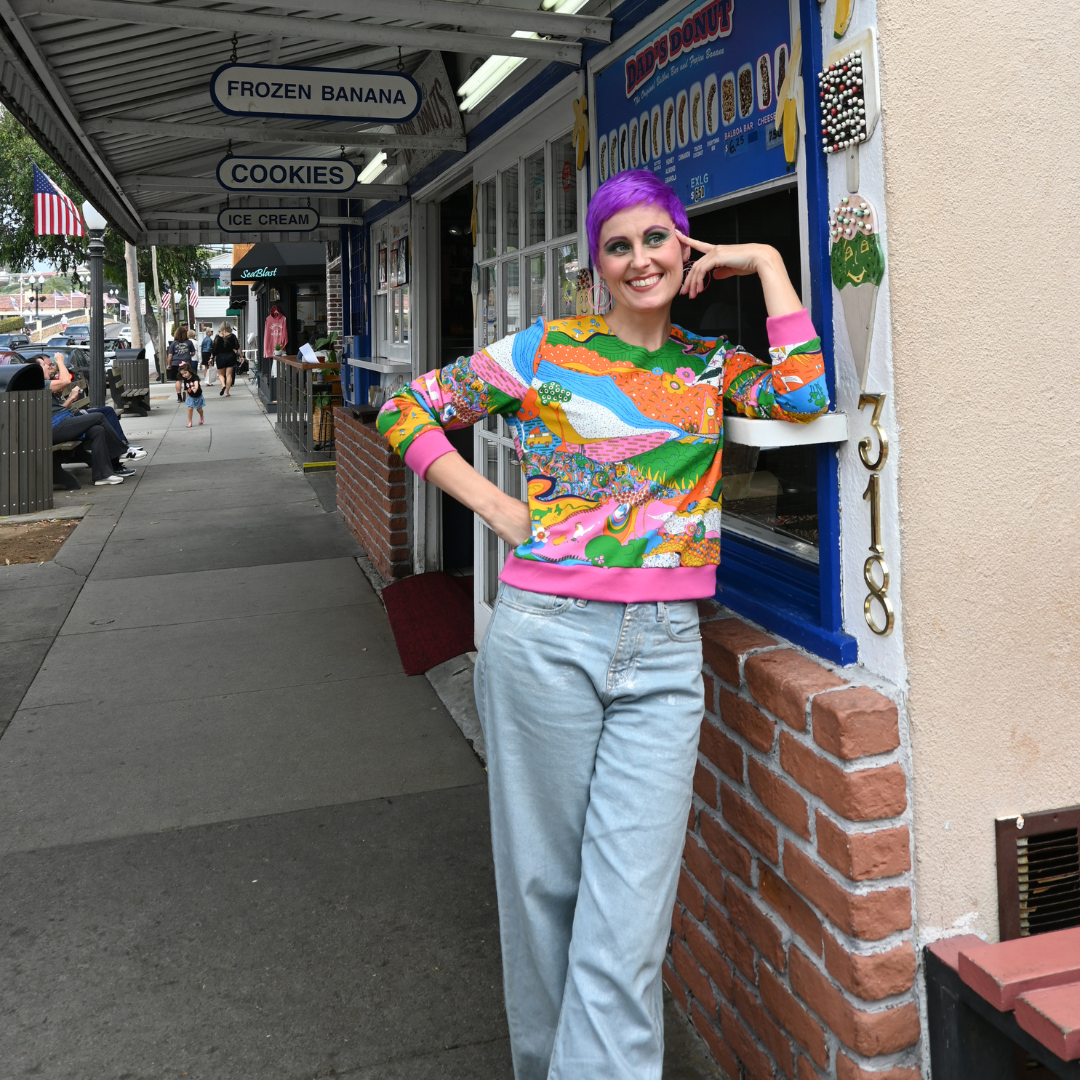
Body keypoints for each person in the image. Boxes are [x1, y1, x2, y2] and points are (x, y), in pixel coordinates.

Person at [376, 170, 829, 1080]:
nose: (639, 259)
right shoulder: (546, 351)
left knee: (627, 920)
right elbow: (407, 407)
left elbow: (804, 394)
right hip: (544, 636)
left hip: (663, 653)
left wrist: (769, 259)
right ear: (597, 264)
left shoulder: (707, 368)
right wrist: (498, 511)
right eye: (617, 245)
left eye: (656, 238)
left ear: (685, 247)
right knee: (543, 890)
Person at [42, 353, 134, 486]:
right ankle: (121, 451)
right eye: (44, 365)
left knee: (97, 430)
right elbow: (66, 381)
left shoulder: (46, 384)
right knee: (99, 417)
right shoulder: (40, 384)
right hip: (53, 428)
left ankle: (103, 475)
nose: (48, 367)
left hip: (63, 422)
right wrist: (60, 361)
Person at [167, 327, 197, 403]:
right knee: (187, 379)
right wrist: (189, 356)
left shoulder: (173, 343)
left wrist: (169, 364)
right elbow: (193, 353)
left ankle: (179, 397)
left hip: (176, 363)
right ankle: (188, 395)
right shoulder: (189, 342)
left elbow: (170, 355)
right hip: (186, 363)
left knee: (178, 380)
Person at [211, 322, 240, 397]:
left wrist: (211, 358)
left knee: (220, 374)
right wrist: (242, 357)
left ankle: (223, 385)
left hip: (220, 357)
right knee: (229, 375)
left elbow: (214, 349)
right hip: (231, 356)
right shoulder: (232, 336)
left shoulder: (217, 337)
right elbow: (237, 347)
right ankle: (227, 392)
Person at [178, 360, 205, 427]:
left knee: (199, 409)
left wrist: (195, 389)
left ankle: (201, 416)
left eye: (185, 373)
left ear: (189, 371)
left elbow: (196, 384)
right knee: (190, 408)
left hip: (197, 396)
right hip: (191, 397)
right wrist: (186, 397)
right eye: (182, 374)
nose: (184, 375)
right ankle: (190, 422)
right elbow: (187, 389)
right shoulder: (185, 380)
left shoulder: (194, 377)